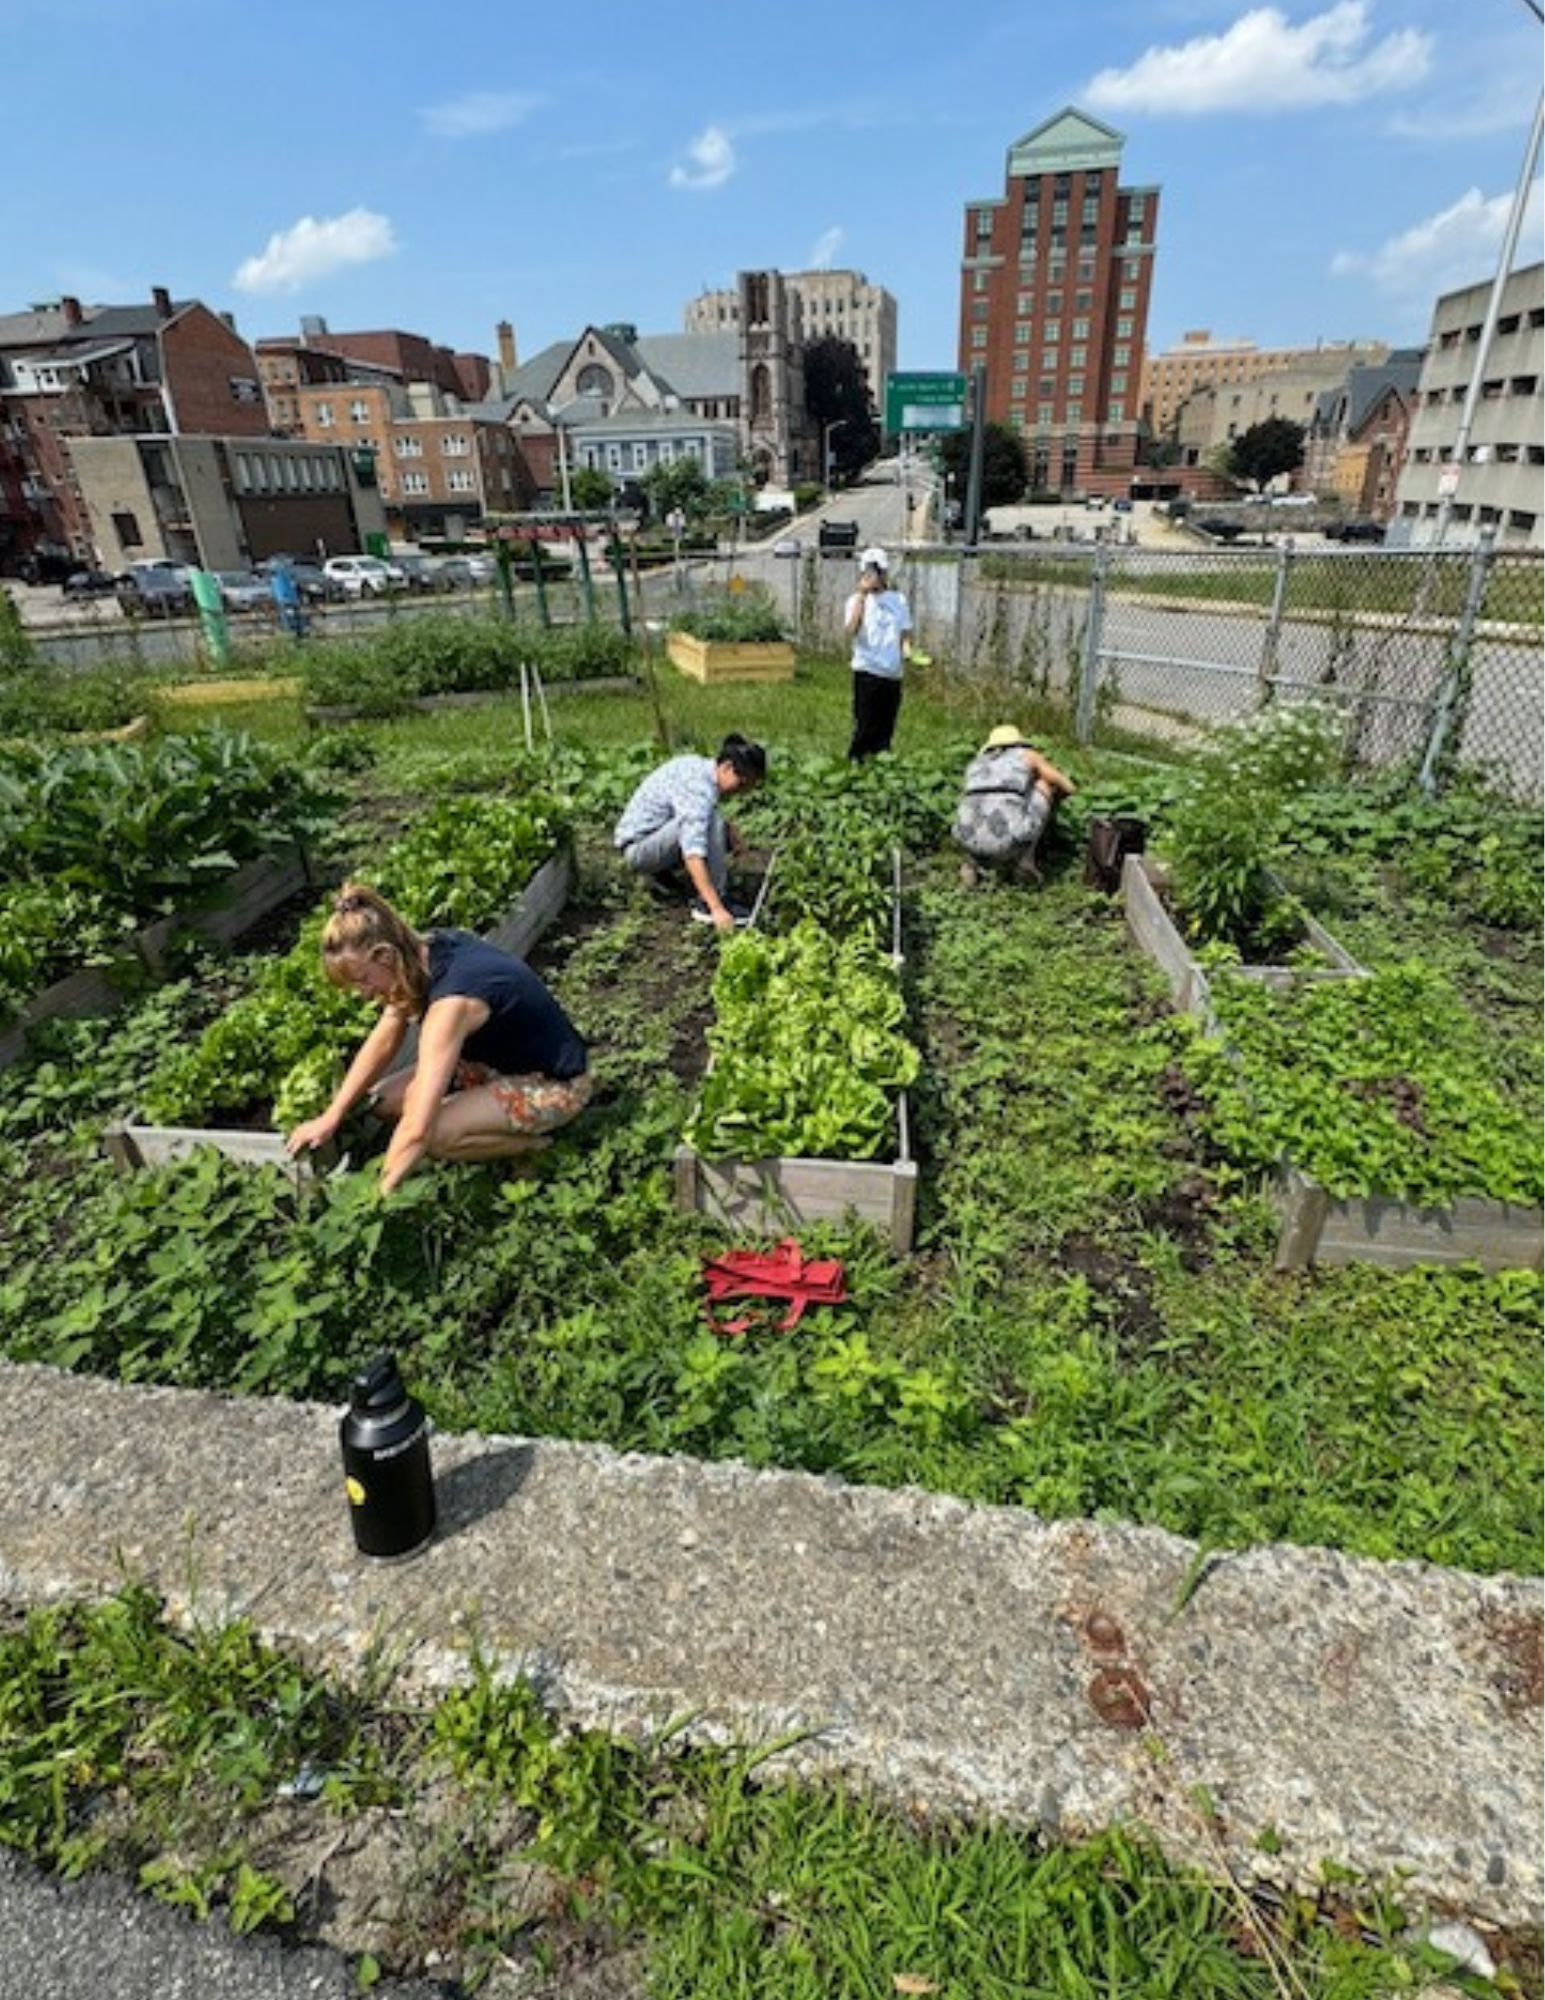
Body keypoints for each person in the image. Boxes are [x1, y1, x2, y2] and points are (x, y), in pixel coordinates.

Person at [285, 884, 591, 1193]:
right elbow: (385, 1037)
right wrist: (332, 1115)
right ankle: (483, 1122)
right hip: (493, 1063)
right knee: (383, 1101)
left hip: (554, 1084)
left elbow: (418, 1128)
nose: (364, 994)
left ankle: (536, 1148)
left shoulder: (451, 1005)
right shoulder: (425, 950)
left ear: (386, 956)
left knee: (436, 1134)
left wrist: (373, 1201)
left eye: (363, 979)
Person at [613, 733, 766, 932]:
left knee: (713, 822)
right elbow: (693, 851)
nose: (742, 792)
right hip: (638, 850)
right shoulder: (698, 788)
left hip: (652, 838)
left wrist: (727, 829)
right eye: (742, 783)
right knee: (709, 822)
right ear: (726, 767)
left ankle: (666, 875)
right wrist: (717, 908)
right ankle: (709, 903)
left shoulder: (699, 770)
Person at [953, 724, 1077, 887]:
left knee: (976, 803)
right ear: (1018, 743)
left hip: (966, 839)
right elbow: (1068, 786)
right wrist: (1054, 801)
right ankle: (1025, 861)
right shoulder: (1027, 755)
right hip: (1008, 839)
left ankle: (970, 863)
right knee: (1044, 785)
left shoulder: (975, 764)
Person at [844, 547, 913, 759]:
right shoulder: (855, 600)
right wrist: (863, 595)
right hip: (867, 670)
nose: (873, 577)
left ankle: (881, 763)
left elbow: (905, 632)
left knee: (886, 728)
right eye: (868, 572)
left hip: (892, 673)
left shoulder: (898, 600)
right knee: (865, 725)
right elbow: (851, 629)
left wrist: (908, 651)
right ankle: (856, 762)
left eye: (877, 572)